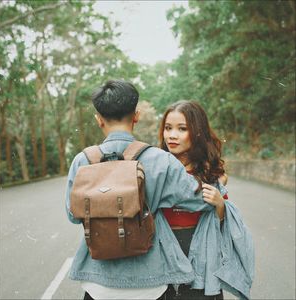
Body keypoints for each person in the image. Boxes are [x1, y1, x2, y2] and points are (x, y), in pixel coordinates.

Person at [65, 80, 225, 300]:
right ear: (136, 116)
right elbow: (199, 200)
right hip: (150, 284)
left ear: (98, 119)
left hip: (97, 283)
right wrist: (217, 187)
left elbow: (73, 215)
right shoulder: (161, 160)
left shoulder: (82, 161)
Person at [158, 100, 228, 300]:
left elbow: (223, 224)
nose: (172, 135)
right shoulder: (156, 168)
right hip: (163, 251)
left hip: (200, 251)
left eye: (182, 129)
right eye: (168, 128)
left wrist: (220, 204)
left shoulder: (209, 172)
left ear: (197, 132)